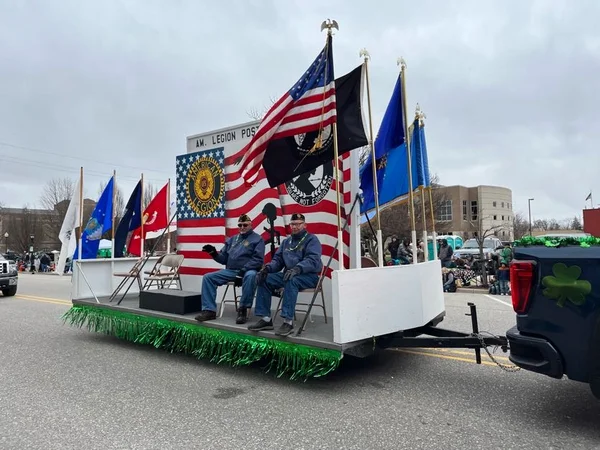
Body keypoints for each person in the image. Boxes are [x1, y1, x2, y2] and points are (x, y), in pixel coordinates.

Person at [247, 213, 322, 337]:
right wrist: (268, 268)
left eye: (298, 224)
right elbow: (278, 260)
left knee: (291, 280)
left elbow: (313, 260)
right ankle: (266, 319)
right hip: (288, 274)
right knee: (264, 278)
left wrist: (298, 268)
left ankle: (288, 322)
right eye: (293, 224)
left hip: (309, 276)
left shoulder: (312, 239)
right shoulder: (287, 242)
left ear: (304, 225)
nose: (295, 227)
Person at [194, 214, 265, 324]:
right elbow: (224, 259)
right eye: (240, 225)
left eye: (245, 225)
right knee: (208, 277)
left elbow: (258, 260)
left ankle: (243, 310)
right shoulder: (232, 239)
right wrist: (213, 253)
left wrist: (243, 271)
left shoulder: (257, 239)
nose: (242, 227)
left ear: (251, 225)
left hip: (248, 271)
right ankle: (209, 310)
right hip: (231, 271)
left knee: (251, 276)